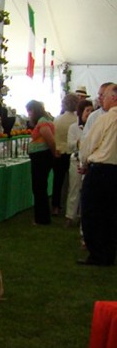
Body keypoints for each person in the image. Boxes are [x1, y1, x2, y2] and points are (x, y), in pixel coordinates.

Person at [77, 82, 117, 265]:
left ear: (114, 98)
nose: (101, 100)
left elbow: (89, 144)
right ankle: (108, 252)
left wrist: (83, 162)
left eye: (104, 96)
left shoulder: (106, 118)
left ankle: (97, 253)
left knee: (92, 213)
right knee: (111, 214)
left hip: (101, 170)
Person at [25, 99, 58, 225]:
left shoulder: (43, 122)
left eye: (29, 111)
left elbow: (50, 140)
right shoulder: (44, 121)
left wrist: (53, 153)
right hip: (41, 156)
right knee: (40, 187)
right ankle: (42, 217)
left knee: (39, 187)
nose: (29, 114)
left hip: (41, 157)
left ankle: (41, 218)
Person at [65, 100, 93, 227]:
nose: (89, 113)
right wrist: (79, 142)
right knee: (74, 188)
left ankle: (84, 216)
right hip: (76, 160)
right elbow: (69, 145)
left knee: (87, 190)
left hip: (90, 161)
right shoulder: (73, 127)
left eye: (91, 111)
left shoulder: (94, 125)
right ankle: (70, 216)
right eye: (87, 110)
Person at [52, 93, 79, 216]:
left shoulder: (58, 119)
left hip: (59, 152)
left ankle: (56, 206)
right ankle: (72, 208)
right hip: (72, 153)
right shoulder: (77, 120)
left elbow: (54, 136)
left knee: (58, 180)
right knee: (73, 183)